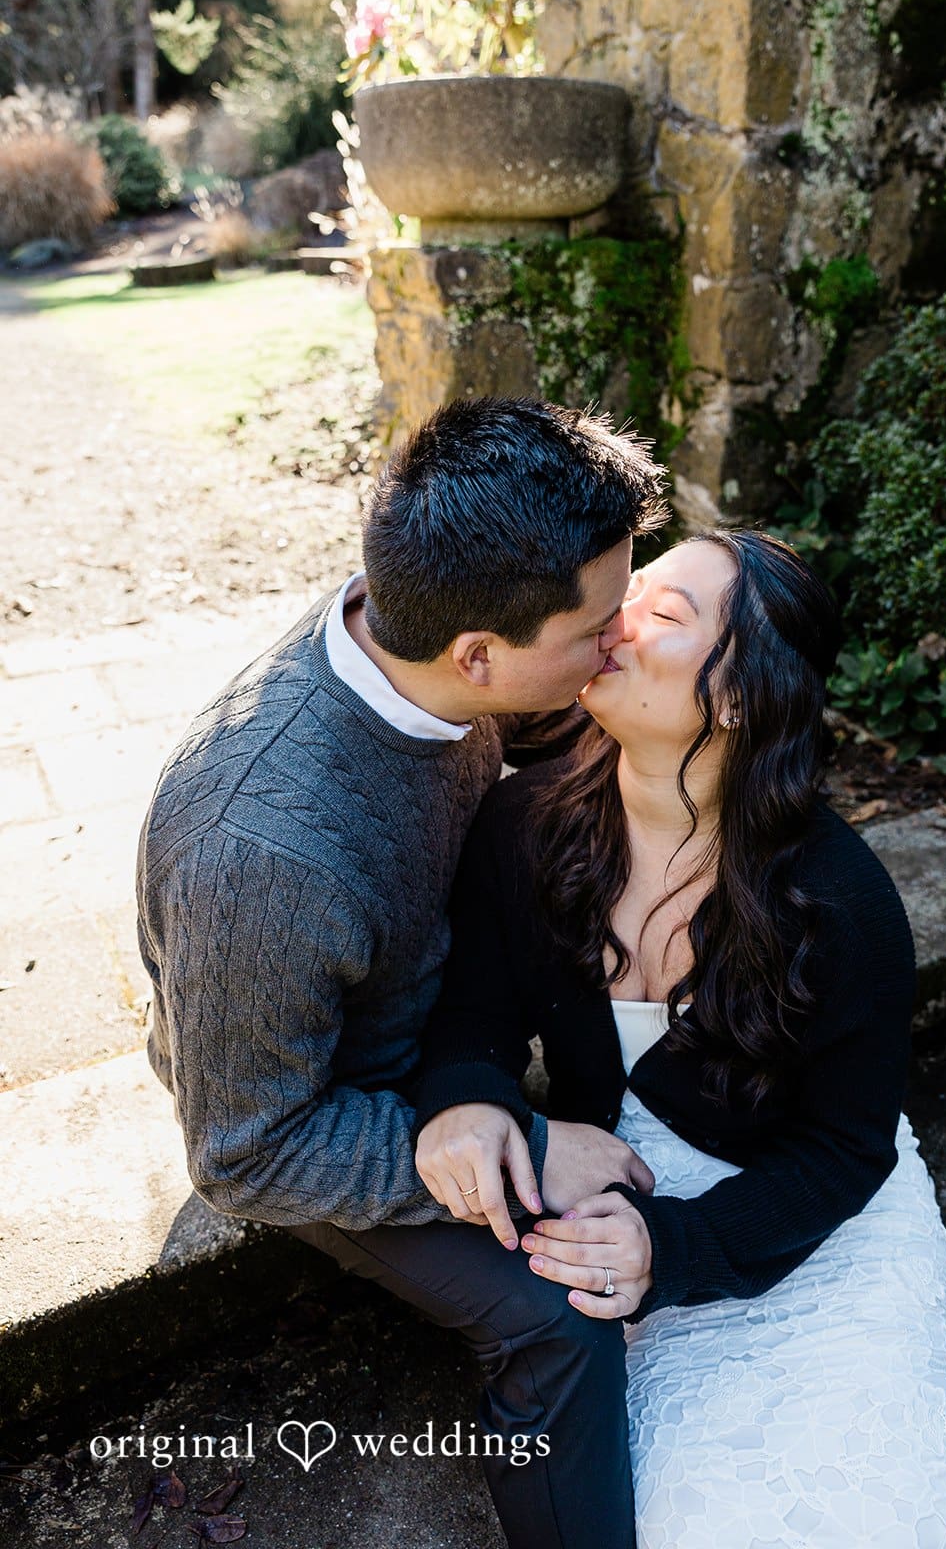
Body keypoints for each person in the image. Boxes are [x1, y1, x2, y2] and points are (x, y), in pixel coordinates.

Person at [412, 528, 946, 1548]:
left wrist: (670, 1249)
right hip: (615, 1184)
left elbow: (844, 1149)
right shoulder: (522, 824)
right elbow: (472, 1018)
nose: (606, 619)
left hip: (798, 1216)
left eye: (659, 613)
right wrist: (468, 1096)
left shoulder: (841, 903)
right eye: (625, 593)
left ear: (738, 696)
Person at [135, 395, 672, 1549]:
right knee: (564, 1315)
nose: (617, 640)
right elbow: (243, 1148)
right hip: (332, 1100)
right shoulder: (264, 855)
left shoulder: (422, 620)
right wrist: (520, 1147)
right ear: (479, 654)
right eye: (595, 628)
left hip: (444, 1011)